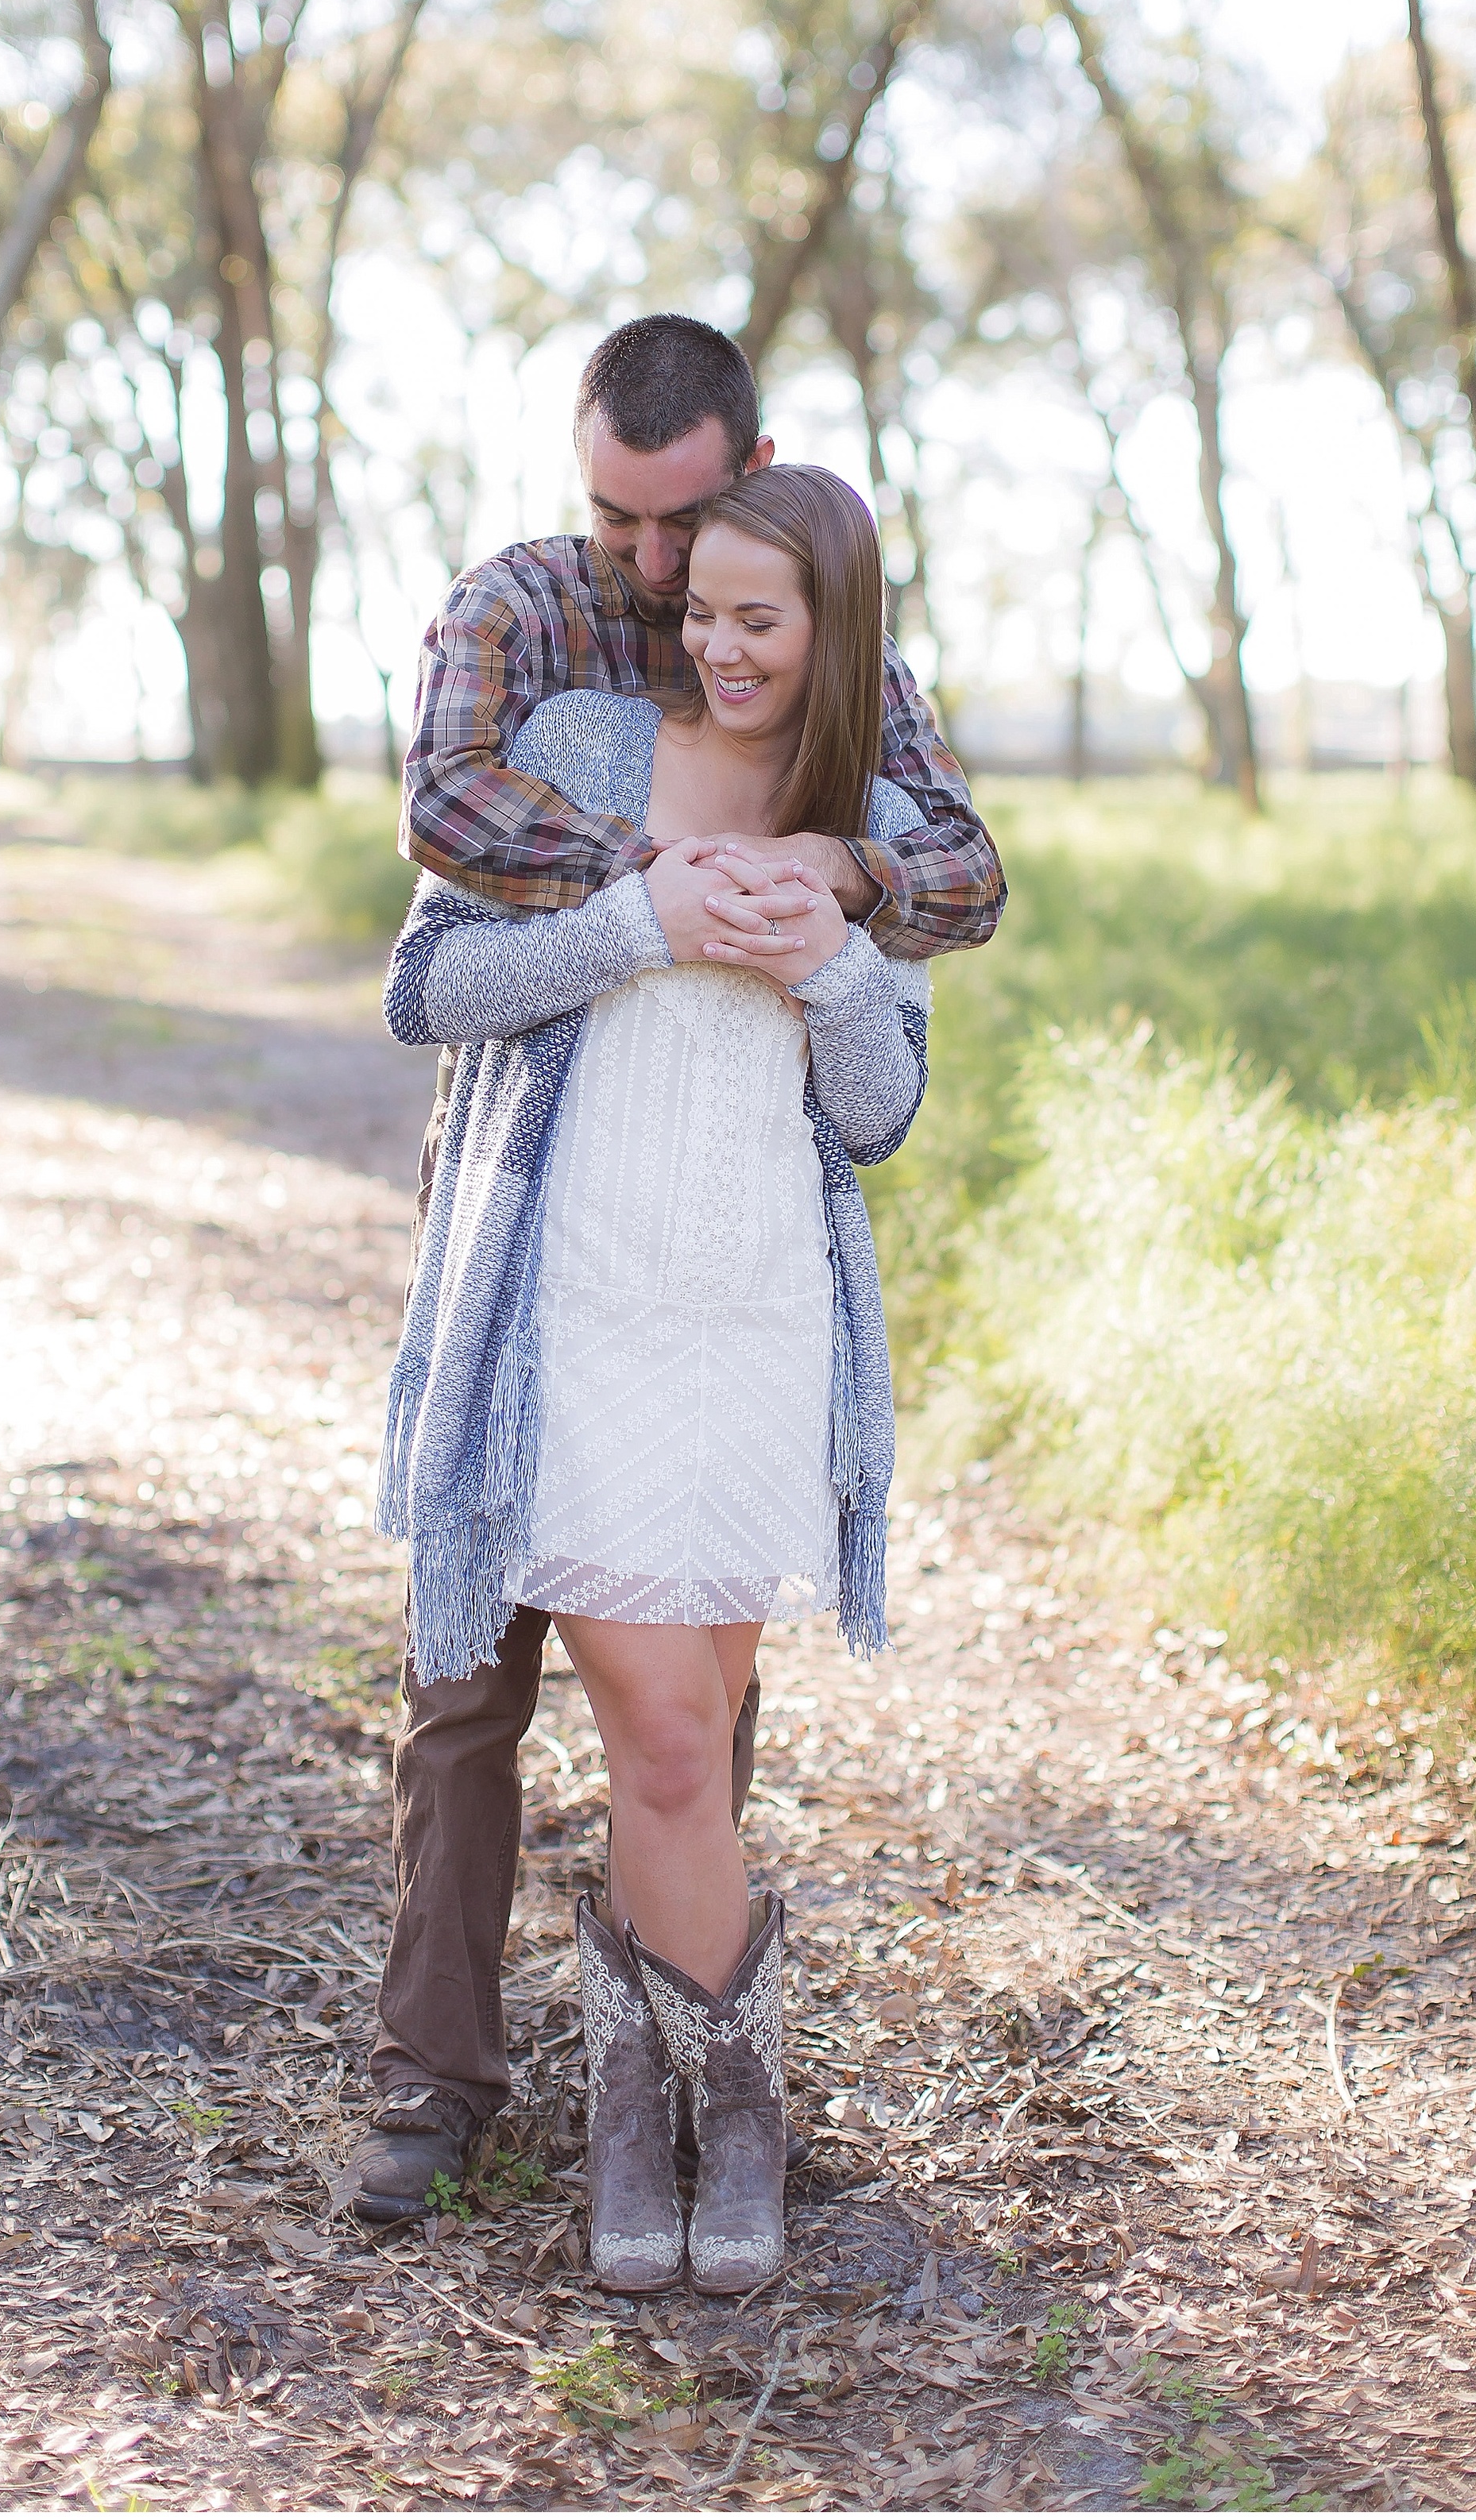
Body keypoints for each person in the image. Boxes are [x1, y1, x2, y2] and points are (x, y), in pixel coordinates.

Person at [346, 315, 1006, 2230]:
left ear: (752, 470)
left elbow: (953, 876)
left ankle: (690, 2085)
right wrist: (645, 894)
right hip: (547, 1223)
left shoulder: (832, 665)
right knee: (469, 1674)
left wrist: (834, 901)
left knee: (690, 1715)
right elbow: (441, 839)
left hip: (735, 1283)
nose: (661, 580)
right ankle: (437, 2081)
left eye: (692, 536)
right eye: (621, 526)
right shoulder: (528, 627)